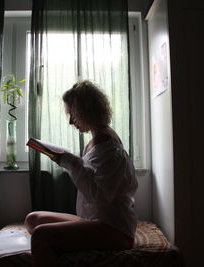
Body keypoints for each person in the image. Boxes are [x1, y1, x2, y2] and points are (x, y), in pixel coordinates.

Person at [24, 80, 138, 267]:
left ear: (86, 111)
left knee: (40, 236)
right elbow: (90, 177)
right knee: (32, 219)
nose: (70, 121)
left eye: (72, 114)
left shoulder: (109, 148)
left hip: (115, 228)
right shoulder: (94, 141)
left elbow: (100, 198)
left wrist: (69, 161)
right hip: (94, 219)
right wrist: (70, 161)